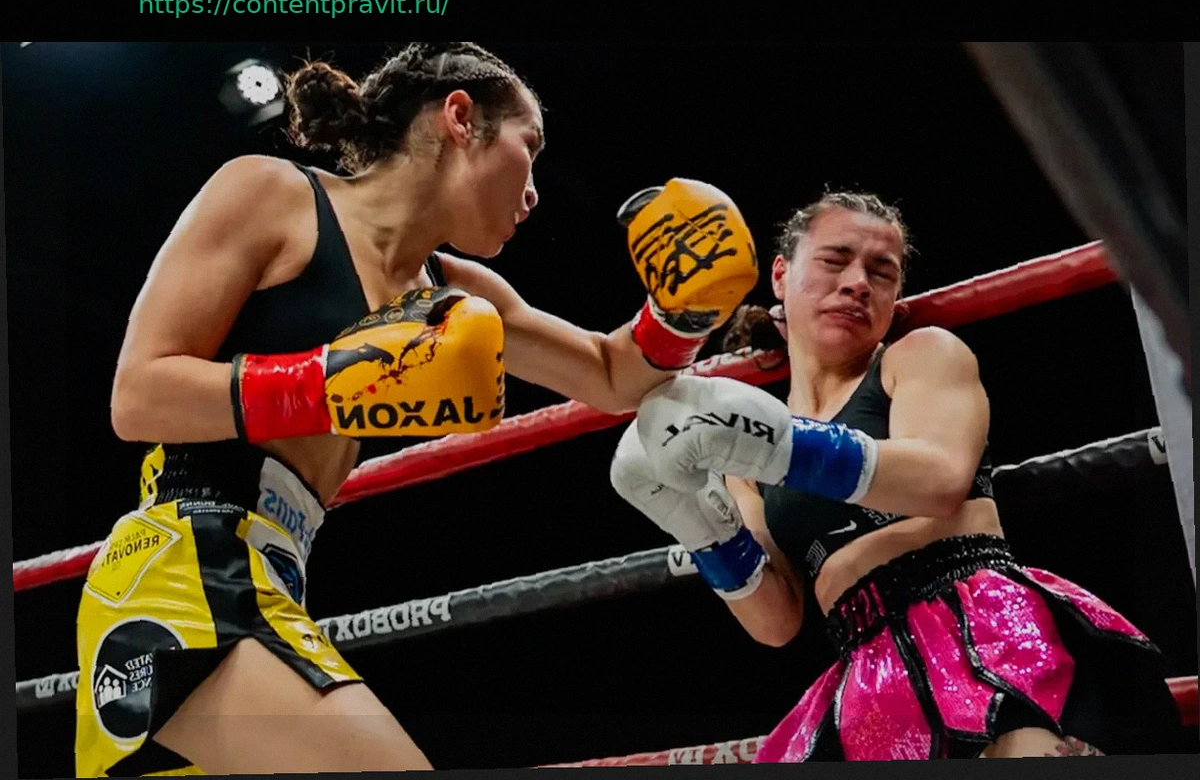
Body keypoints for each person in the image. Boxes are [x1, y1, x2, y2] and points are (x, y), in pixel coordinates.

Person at [77, 41, 759, 776]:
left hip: (272, 578)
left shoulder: (452, 297)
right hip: (184, 573)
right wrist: (331, 381)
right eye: (529, 147)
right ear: (460, 118)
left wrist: (684, 312)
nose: (535, 192)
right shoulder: (273, 194)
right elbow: (138, 396)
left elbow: (610, 373)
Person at [610, 192, 1185, 760]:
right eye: (835, 260)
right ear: (781, 275)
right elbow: (776, 621)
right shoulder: (745, 456)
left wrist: (778, 445)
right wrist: (699, 524)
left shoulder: (919, 357)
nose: (857, 283)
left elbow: (939, 478)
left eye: (881, 273)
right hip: (869, 669)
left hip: (982, 623)